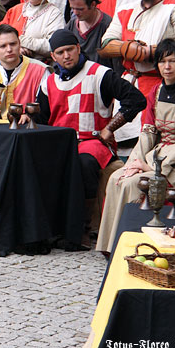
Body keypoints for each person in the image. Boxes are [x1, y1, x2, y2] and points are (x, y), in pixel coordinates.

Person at [34, 29, 146, 248]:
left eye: (70, 50)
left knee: (83, 164)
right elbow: (42, 119)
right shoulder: (48, 83)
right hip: (60, 144)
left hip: (93, 143)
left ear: (78, 48)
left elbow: (136, 100)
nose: (66, 55)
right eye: (60, 52)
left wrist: (110, 128)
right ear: (53, 56)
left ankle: (83, 227)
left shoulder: (100, 74)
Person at [96, 39, 175, 253]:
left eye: (172, 61)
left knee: (132, 185)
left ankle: (128, 245)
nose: (167, 67)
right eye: (163, 62)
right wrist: (134, 163)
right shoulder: (155, 91)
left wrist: (152, 167)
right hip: (155, 154)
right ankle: (109, 245)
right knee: (117, 178)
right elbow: (148, 132)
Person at [99, 0, 175, 144]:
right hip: (129, 85)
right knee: (125, 144)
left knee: (159, 142)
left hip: (165, 86)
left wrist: (148, 52)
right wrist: (127, 48)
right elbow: (106, 44)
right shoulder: (125, 9)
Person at [0, 0, 65, 59]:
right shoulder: (15, 10)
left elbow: (55, 45)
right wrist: (16, 49)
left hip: (40, 64)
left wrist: (23, 41)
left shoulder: (54, 14)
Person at [65, 0, 113, 68]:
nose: (75, 13)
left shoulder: (108, 25)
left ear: (93, 5)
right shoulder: (72, 24)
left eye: (80, 9)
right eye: (72, 8)